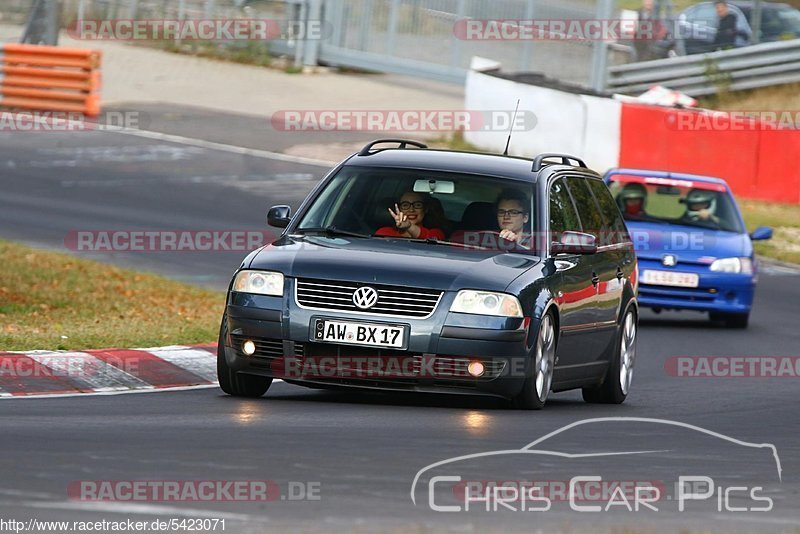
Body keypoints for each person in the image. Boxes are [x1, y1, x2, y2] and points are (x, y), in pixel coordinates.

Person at [375, 191, 446, 240]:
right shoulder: (385, 233)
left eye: (417, 205)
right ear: (399, 209)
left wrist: (409, 226)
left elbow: (429, 240)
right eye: (405, 205)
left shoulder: (436, 233)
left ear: (425, 209)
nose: (411, 209)